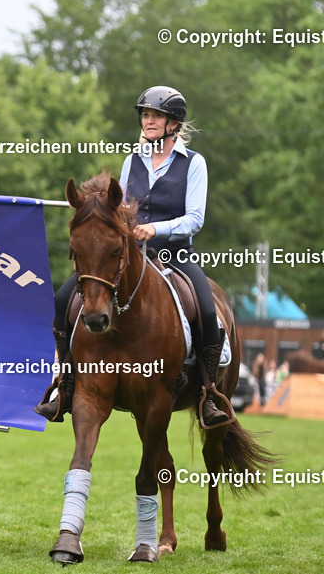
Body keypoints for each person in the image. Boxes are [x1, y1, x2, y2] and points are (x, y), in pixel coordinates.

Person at [35, 86, 232, 428]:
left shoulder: (193, 163)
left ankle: (208, 394)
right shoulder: (132, 161)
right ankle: (64, 386)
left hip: (174, 254)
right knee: (63, 298)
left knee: (205, 308)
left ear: (173, 123)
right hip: (128, 256)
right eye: (145, 115)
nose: (148, 120)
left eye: (156, 115)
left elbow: (195, 218)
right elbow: (120, 209)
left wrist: (155, 229)